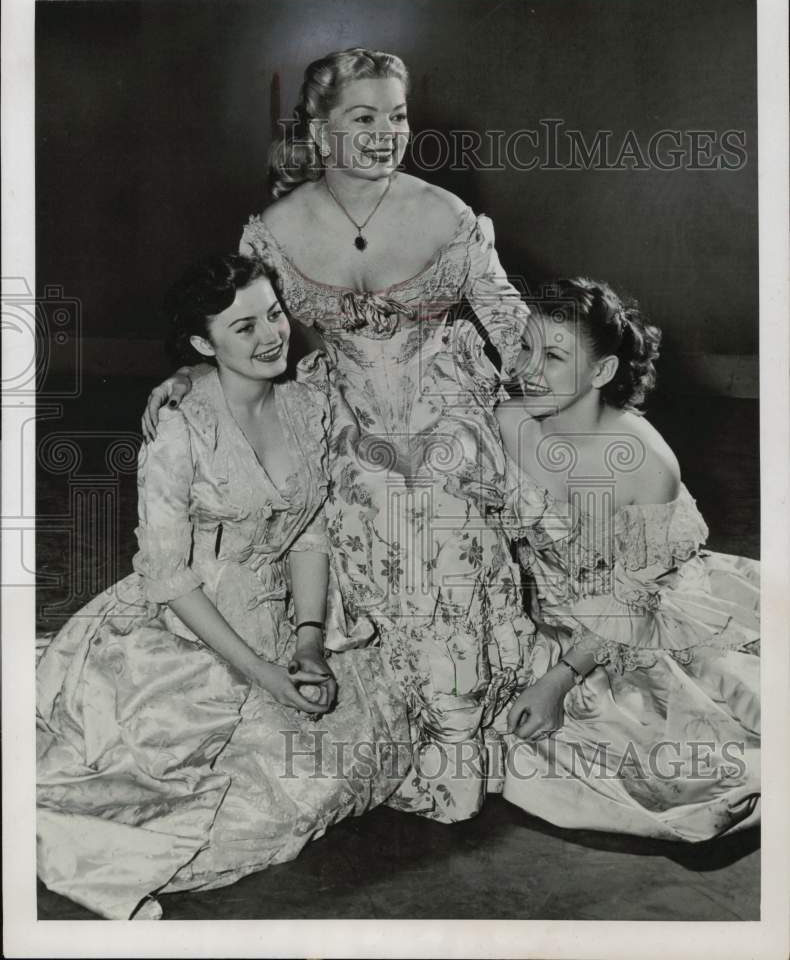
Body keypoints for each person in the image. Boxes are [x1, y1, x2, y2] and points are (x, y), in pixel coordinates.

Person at [142, 47, 534, 823]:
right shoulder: (272, 231)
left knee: (434, 520)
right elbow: (236, 324)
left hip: (447, 419)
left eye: (397, 115)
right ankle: (396, 719)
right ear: (319, 133)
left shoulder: (449, 217)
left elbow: (515, 331)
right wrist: (189, 378)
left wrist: (584, 401)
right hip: (341, 423)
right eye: (365, 117)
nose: (388, 132)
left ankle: (456, 728)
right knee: (351, 517)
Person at [36, 254, 411, 920]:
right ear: (203, 345)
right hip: (186, 628)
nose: (272, 335)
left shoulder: (305, 404)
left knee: (362, 749)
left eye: (273, 314)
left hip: (283, 613)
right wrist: (261, 673)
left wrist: (312, 640)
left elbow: (310, 532)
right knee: (172, 794)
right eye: (244, 328)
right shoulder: (179, 430)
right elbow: (166, 575)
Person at [495, 278, 760, 841]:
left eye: (555, 356)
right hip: (533, 606)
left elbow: (633, 602)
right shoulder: (508, 422)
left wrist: (560, 680)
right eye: (524, 347)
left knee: (667, 753)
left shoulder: (644, 461)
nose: (528, 370)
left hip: (628, 612)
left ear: (601, 373)